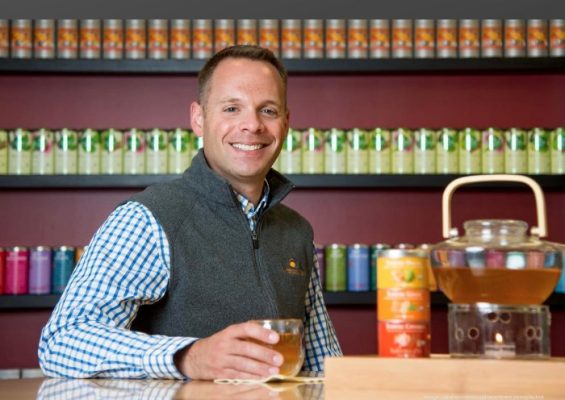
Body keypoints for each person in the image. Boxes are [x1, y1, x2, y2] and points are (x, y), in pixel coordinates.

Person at [38, 45, 342, 380]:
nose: (252, 125)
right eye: (231, 108)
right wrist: (188, 357)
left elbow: (322, 363)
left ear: (286, 122)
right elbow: (62, 341)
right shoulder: (149, 218)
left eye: (268, 110)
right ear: (199, 118)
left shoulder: (296, 231)